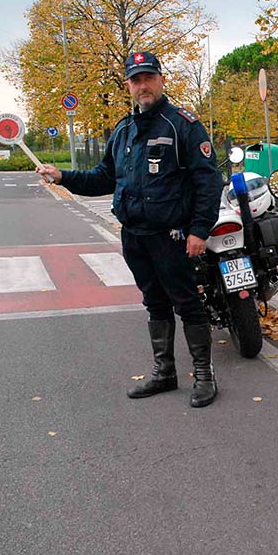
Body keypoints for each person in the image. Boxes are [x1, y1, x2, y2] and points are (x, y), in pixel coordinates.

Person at [36, 51, 224, 408]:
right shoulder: (123, 131)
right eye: (136, 80)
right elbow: (104, 177)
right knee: (154, 302)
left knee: (187, 303)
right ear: (128, 86)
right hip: (134, 235)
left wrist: (199, 230)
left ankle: (203, 376)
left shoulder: (182, 125)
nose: (143, 85)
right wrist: (63, 177)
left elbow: (207, 180)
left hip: (173, 235)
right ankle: (164, 372)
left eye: (148, 78)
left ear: (161, 80)